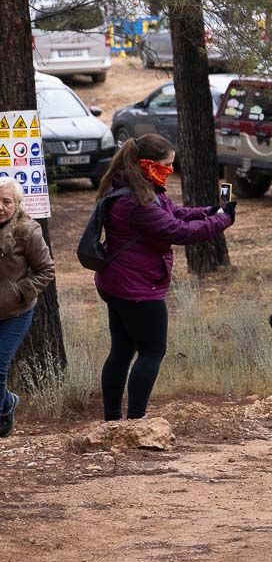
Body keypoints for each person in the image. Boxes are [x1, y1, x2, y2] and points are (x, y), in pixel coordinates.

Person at [94, 134, 235, 421]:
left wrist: (210, 211)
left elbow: (176, 213)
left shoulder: (139, 187)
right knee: (152, 351)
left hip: (119, 282)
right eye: (167, 164)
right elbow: (178, 232)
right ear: (148, 163)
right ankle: (135, 420)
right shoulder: (137, 201)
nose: (171, 169)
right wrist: (223, 220)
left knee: (121, 351)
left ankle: (112, 420)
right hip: (137, 288)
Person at [0, 179, 54, 437]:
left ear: (17, 204)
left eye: (6, 202)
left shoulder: (27, 231)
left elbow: (46, 270)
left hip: (15, 311)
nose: (0, 207)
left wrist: (19, 291)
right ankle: (7, 403)